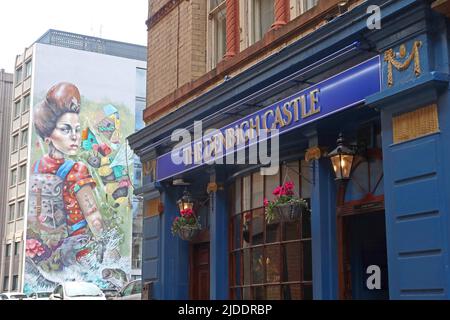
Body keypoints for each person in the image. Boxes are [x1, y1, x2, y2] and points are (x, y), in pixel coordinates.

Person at [32, 82, 105, 238]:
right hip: (79, 249)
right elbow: (93, 216)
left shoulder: (36, 167)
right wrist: (111, 250)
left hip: (50, 250)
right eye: (65, 129)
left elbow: (35, 216)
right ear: (48, 136)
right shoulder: (77, 170)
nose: (74, 136)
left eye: (77, 129)